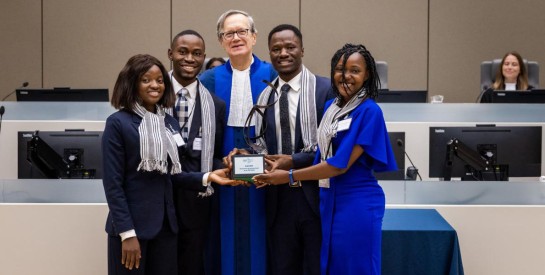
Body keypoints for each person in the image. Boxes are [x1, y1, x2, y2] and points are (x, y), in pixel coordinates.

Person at [253, 43, 398, 275]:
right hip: (328, 198)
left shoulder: (369, 111)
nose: (346, 76)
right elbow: (321, 152)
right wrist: (288, 160)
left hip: (357, 201)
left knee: (356, 267)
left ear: (367, 74)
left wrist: (288, 176)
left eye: (354, 70)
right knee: (332, 267)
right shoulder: (332, 107)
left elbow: (339, 165)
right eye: (340, 70)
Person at [102, 54, 239, 274]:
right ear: (132, 83)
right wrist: (126, 233)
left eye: (159, 80)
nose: (155, 85)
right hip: (132, 230)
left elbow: (171, 174)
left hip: (166, 228)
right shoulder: (118, 123)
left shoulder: (168, 123)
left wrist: (207, 177)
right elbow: (113, 185)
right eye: (146, 80)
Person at [225, 24, 332, 275]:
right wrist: (245, 158)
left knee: (318, 266)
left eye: (290, 47)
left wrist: (293, 161)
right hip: (278, 199)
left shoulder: (324, 90)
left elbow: (330, 148)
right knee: (283, 266)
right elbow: (263, 148)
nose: (283, 53)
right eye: (276, 49)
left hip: (316, 196)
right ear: (270, 54)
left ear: (302, 50)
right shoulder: (265, 96)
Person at [199, 9, 277, 275]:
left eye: (242, 31)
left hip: (266, 175)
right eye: (228, 33)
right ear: (221, 41)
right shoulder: (207, 80)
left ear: (254, 37)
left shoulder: (274, 74)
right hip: (222, 172)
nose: (236, 37)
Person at [167, 30, 226, 275]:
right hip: (157, 201)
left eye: (196, 53)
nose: (189, 58)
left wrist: (230, 164)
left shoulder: (216, 105)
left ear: (203, 58)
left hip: (196, 204)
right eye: (183, 52)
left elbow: (214, 155)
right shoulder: (150, 97)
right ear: (170, 54)